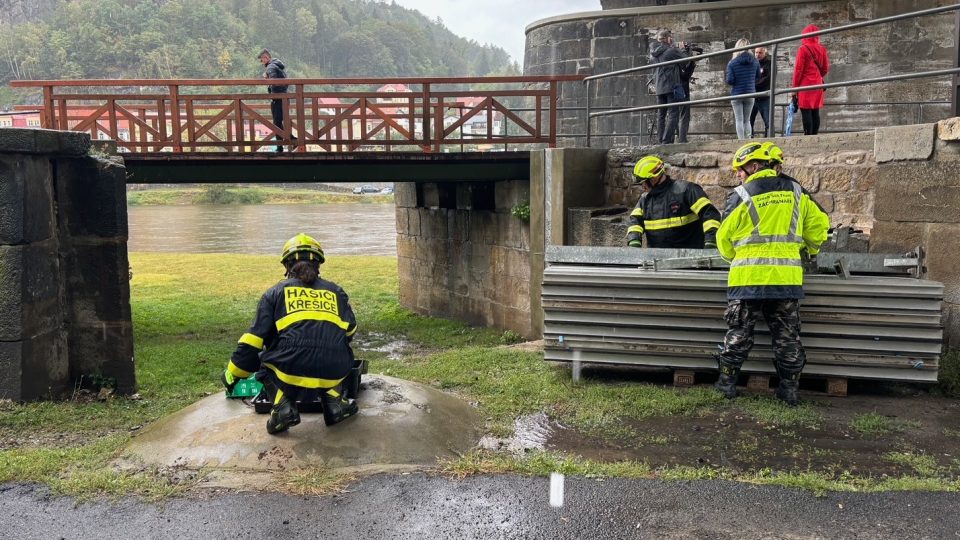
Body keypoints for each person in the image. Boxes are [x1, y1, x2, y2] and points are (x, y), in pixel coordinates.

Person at [713, 142, 830, 406]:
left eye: (740, 170)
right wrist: (809, 248)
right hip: (786, 280)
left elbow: (723, 238)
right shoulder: (797, 192)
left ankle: (727, 385)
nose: (738, 175)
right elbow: (819, 227)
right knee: (787, 336)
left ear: (754, 166)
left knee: (739, 333)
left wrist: (735, 257)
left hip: (747, 280)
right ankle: (788, 390)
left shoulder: (741, 195)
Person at [221, 233, 359, 434]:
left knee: (263, 362)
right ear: (318, 264)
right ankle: (335, 405)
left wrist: (233, 373)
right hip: (336, 368)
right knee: (334, 351)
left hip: (289, 367)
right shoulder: (336, 292)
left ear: (287, 266)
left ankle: (283, 409)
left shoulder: (274, 293)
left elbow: (253, 340)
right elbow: (351, 331)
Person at [626, 155, 721, 249]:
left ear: (654, 178)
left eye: (644, 182)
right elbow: (635, 222)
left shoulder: (687, 190)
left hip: (690, 258)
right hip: (656, 260)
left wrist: (710, 243)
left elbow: (709, 215)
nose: (642, 186)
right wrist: (634, 242)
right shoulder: (645, 200)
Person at [650, 29, 690, 145]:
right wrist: (682, 48)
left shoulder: (654, 52)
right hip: (670, 86)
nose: (672, 39)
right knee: (673, 113)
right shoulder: (671, 51)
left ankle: (660, 139)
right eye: (670, 37)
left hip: (659, 87)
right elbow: (685, 61)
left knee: (661, 115)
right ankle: (667, 140)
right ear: (667, 38)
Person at [791, 25, 830, 135]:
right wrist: (817, 76)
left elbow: (798, 70)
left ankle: (808, 136)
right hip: (817, 84)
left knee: (806, 111)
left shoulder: (803, 49)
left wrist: (794, 89)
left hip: (805, 84)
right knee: (815, 111)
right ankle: (815, 135)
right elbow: (825, 68)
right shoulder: (822, 49)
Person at [725, 38, 760, 140]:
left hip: (737, 93)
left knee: (739, 120)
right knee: (747, 120)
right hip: (750, 93)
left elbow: (730, 80)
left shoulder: (732, 63)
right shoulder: (755, 61)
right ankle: (748, 140)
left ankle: (741, 141)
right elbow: (758, 76)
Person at [258, 48, 293, 152]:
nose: (261, 62)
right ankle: (287, 142)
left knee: (277, 123)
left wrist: (267, 78)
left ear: (266, 57)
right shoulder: (277, 66)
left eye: (262, 59)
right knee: (278, 122)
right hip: (284, 97)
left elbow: (274, 82)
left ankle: (283, 145)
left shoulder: (271, 67)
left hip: (278, 98)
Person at [677, 47, 701, 143]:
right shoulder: (678, 59)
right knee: (684, 114)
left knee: (677, 114)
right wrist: (692, 62)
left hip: (677, 88)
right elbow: (685, 76)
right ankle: (682, 139)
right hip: (680, 89)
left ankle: (680, 138)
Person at [750, 47, 771, 137]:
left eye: (760, 53)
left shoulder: (769, 64)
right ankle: (749, 139)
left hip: (764, 96)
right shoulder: (752, 64)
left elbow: (767, 79)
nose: (758, 55)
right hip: (753, 97)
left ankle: (768, 140)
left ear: (765, 54)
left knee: (768, 122)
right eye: (756, 52)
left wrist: (753, 85)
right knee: (749, 121)